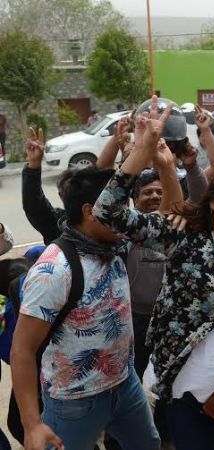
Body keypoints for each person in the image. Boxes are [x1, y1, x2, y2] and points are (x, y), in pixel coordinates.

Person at [93, 96, 214, 450]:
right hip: (184, 388)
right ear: (213, 200)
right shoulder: (183, 237)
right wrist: (139, 155)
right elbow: (107, 213)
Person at [11, 164, 161, 450]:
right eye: (119, 210)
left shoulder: (117, 245)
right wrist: (31, 426)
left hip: (125, 385)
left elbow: (167, 216)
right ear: (91, 211)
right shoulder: (54, 270)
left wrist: (161, 163)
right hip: (73, 402)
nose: (127, 218)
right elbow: (22, 350)